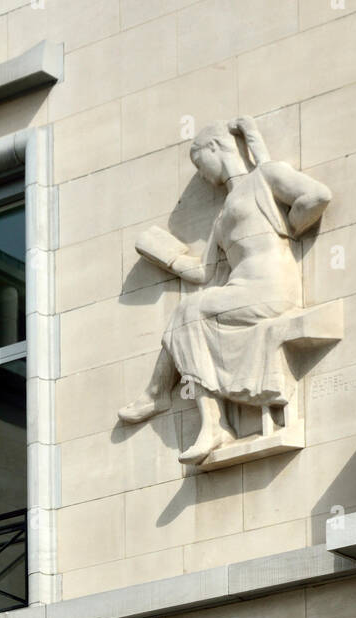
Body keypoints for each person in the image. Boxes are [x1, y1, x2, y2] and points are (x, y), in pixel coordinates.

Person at [119, 116, 331, 464]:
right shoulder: (222, 217)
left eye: (199, 163)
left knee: (188, 312)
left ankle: (169, 400)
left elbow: (318, 196)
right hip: (240, 292)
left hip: (271, 288)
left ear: (216, 147)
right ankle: (205, 420)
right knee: (190, 312)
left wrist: (290, 228)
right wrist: (164, 254)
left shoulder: (265, 176)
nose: (201, 175)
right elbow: (204, 272)